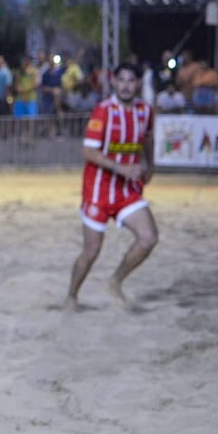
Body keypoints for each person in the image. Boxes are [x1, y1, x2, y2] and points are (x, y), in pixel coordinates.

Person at [65, 63, 158, 312]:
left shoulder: (145, 111)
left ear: (138, 83)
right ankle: (72, 296)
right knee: (91, 251)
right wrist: (121, 168)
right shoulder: (103, 111)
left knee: (148, 238)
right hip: (98, 192)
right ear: (114, 82)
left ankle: (115, 281)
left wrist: (150, 164)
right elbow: (88, 151)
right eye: (121, 80)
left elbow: (148, 137)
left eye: (131, 80)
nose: (126, 85)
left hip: (127, 191)